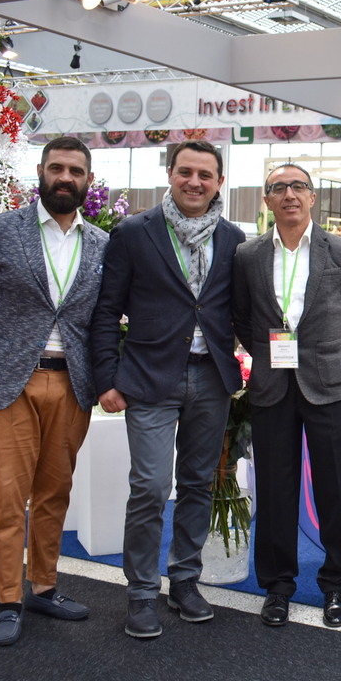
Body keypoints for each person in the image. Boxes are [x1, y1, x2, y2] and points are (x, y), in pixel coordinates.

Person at [0, 137, 108, 646]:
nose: (65, 177)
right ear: (41, 172)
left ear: (88, 181)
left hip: (72, 385)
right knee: (7, 498)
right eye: (57, 168)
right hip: (6, 386)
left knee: (55, 494)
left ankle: (44, 586)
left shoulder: (102, 244)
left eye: (75, 171)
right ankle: (8, 600)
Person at [91, 140, 245, 640]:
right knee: (151, 487)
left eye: (205, 174)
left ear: (219, 182)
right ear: (170, 174)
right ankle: (140, 592)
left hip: (211, 378)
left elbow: (238, 311)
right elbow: (106, 310)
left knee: (198, 484)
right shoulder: (135, 232)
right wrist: (106, 378)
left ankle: (184, 581)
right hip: (150, 378)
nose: (194, 182)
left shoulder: (233, 238)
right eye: (186, 172)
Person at [232, 163, 341, 628]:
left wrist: (334, 358)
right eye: (279, 187)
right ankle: (277, 587)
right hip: (272, 387)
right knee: (275, 490)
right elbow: (241, 317)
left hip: (329, 387)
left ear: (312, 197)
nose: (289, 194)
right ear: (267, 200)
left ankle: (336, 586)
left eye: (298, 186)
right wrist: (266, 355)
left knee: (336, 490)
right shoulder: (248, 255)